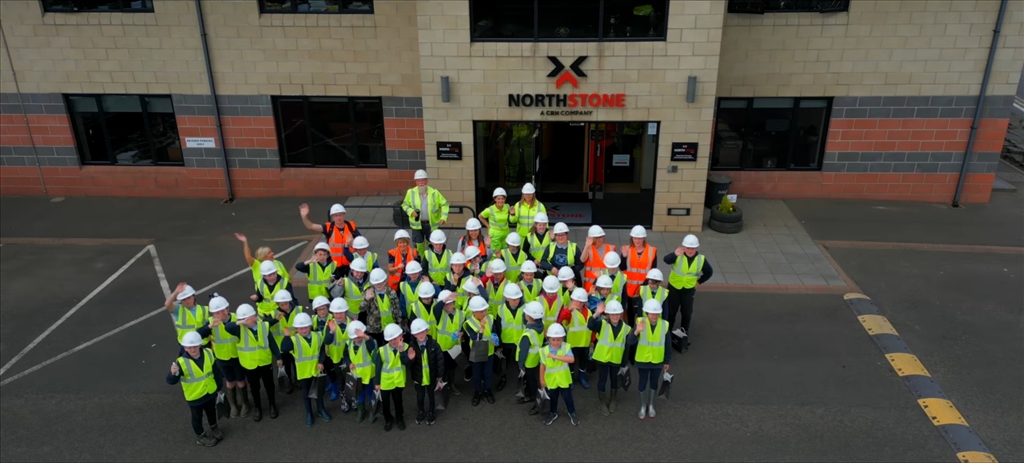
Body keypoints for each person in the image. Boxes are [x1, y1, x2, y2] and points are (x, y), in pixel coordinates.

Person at [195, 296, 250, 419]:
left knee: (241, 380)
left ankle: (245, 403)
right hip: (222, 358)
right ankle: (233, 404)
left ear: (228, 308)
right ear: (212, 313)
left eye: (223, 310)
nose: (221, 314)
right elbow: (198, 335)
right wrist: (209, 327)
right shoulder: (210, 322)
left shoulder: (237, 317)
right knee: (230, 381)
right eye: (217, 312)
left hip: (238, 356)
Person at [224, 304, 281, 422]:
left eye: (248, 318)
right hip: (250, 366)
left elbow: (271, 342)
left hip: (265, 363)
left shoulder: (264, 326)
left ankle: (272, 406)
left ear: (254, 316)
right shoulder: (239, 330)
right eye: (242, 319)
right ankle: (258, 408)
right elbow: (227, 327)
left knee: (269, 386)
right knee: (254, 388)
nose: (247, 321)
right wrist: (240, 323)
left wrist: (278, 357)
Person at [166, 331, 223, 447]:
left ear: (200, 345)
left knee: (212, 412)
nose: (192, 349)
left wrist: (219, 387)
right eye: (189, 347)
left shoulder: (209, 353)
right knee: (197, 417)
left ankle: (214, 427)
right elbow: (171, 381)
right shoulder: (181, 362)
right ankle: (200, 436)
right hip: (195, 396)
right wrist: (173, 374)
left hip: (210, 391)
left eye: (195, 346)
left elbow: (216, 371)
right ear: (185, 348)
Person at [280, 313, 333, 427]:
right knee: (306, 393)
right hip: (304, 372)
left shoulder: (318, 336)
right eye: (300, 328)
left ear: (310, 326)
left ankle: (321, 409)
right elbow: (284, 348)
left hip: (316, 370)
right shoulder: (293, 340)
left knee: (318, 391)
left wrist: (321, 362)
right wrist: (287, 336)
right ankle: (309, 413)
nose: (303, 330)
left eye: (306, 327)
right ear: (296, 329)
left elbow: (322, 350)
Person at [663, 234, 713, 345]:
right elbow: (666, 260)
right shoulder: (678, 255)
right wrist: (674, 254)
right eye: (688, 248)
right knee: (671, 312)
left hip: (689, 290)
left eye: (693, 248)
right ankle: (667, 333)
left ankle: (684, 333)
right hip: (674, 288)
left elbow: (709, 272)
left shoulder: (701, 259)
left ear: (697, 248)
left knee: (686, 313)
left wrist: (699, 282)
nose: (690, 250)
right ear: (683, 247)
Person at [589, 300, 634, 416]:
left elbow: (627, 346)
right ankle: (602, 402)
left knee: (614, 380)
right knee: (602, 380)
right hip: (602, 358)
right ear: (608, 314)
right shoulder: (602, 324)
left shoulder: (627, 328)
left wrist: (624, 363)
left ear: (621, 314)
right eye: (612, 314)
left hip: (616, 359)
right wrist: (597, 313)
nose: (615, 316)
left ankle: (613, 400)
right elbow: (590, 325)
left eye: (617, 314)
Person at [634, 299, 672, 420]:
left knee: (654, 383)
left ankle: (651, 405)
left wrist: (667, 360)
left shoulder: (664, 324)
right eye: (651, 313)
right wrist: (636, 332)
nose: (654, 316)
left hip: (657, 360)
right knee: (642, 383)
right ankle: (643, 405)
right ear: (646, 313)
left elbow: (668, 344)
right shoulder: (640, 322)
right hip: (642, 360)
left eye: (656, 313)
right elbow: (630, 341)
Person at [299, 203, 361, 272]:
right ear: (332, 217)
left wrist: (353, 242)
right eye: (336, 215)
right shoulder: (329, 228)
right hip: (334, 265)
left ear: (344, 215)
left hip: (350, 263)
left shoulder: (351, 226)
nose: (338, 217)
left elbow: (361, 242)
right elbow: (310, 226)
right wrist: (304, 217)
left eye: (340, 214)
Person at [401, 169, 450, 256]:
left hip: (431, 225)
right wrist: (411, 211)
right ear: (416, 182)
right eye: (418, 180)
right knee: (418, 245)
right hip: (417, 225)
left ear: (427, 181)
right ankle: (421, 261)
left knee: (433, 244)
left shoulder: (435, 192)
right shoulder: (410, 192)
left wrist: (443, 217)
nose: (421, 183)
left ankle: (431, 260)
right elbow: (404, 205)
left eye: (423, 180)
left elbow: (445, 204)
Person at [464, 296, 501, 406]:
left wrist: (496, 341)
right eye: (481, 311)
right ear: (474, 312)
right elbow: (475, 338)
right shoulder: (469, 323)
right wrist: (482, 328)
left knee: (488, 373)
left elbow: (494, 332)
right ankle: (477, 391)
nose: (484, 312)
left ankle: (487, 390)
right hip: (476, 353)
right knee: (477, 374)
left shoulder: (490, 318)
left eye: (485, 310)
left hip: (489, 351)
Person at [374, 323, 411, 431]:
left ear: (401, 336)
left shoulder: (406, 347)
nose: (394, 341)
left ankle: (400, 418)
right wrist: (377, 383)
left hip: (399, 381)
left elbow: (406, 363)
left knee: (398, 402)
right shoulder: (381, 350)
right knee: (386, 403)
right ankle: (388, 419)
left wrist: (402, 351)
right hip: (385, 382)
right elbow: (378, 368)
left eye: (395, 338)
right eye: (391, 340)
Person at [540, 324, 578, 426]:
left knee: (567, 397)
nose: (556, 342)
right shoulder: (543, 350)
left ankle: (572, 412)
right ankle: (553, 413)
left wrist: (555, 356)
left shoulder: (566, 347)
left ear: (563, 339)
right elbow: (542, 366)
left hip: (563, 379)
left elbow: (571, 359)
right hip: (551, 380)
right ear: (548, 339)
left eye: (559, 340)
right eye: (553, 340)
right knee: (553, 398)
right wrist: (542, 379)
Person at [409, 318, 444, 426]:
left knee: (431, 395)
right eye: (417, 333)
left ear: (427, 331)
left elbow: (440, 360)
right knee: (420, 396)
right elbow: (408, 364)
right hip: (418, 378)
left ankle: (431, 411)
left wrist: (439, 375)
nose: (421, 335)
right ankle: (420, 411)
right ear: (414, 335)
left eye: (423, 331)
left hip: (431, 377)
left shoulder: (434, 344)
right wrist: (411, 359)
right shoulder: (411, 347)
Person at [268, 289, 302, 394]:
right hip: (282, 346)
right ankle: (289, 382)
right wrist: (275, 320)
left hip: (296, 343)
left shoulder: (298, 310)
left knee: (297, 363)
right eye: (281, 304)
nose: (284, 306)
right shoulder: (274, 314)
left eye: (285, 304)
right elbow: (265, 325)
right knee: (286, 365)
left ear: (289, 302)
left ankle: (298, 379)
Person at [359, 268, 404, 347]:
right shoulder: (368, 292)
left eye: (381, 282)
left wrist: (399, 324)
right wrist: (366, 299)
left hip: (391, 327)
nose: (379, 285)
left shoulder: (392, 292)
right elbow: (361, 309)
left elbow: (397, 310)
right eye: (376, 283)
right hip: (375, 330)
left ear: (385, 281)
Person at [557, 288, 592, 389]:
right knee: (571, 362)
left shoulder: (589, 312)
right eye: (576, 301)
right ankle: (570, 378)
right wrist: (569, 309)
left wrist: (592, 340)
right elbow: (561, 319)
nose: (578, 303)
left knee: (583, 361)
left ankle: (582, 377)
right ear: (572, 300)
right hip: (573, 343)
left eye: (581, 301)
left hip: (585, 343)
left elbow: (591, 327)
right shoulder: (569, 312)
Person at [343, 321, 377, 423]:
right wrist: (349, 363)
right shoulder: (348, 344)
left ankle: (372, 411)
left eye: (359, 337)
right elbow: (346, 355)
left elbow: (372, 345)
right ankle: (361, 410)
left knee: (371, 393)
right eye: (355, 337)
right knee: (359, 394)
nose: (357, 339)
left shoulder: (368, 342)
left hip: (368, 374)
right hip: (356, 375)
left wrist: (365, 336)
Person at [620, 225, 658, 317]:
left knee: (643, 312)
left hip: (644, 287)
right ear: (632, 238)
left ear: (644, 238)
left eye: (639, 238)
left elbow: (653, 270)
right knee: (630, 313)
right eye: (635, 238)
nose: (637, 241)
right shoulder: (626, 249)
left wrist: (644, 285)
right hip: (629, 288)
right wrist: (624, 257)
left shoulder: (652, 251)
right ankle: (631, 329)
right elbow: (622, 268)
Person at [325, 298, 355, 409]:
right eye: (336, 313)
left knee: (351, 378)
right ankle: (344, 399)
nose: (338, 315)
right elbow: (326, 341)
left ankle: (352, 397)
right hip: (336, 357)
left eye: (341, 312)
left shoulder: (352, 322)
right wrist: (331, 331)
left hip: (351, 357)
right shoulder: (330, 324)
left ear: (346, 311)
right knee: (340, 379)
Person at [432, 290, 463, 396]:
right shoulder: (439, 314)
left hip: (454, 346)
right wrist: (445, 299)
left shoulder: (460, 313)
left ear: (454, 303)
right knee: (443, 367)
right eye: (445, 304)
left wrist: (462, 332)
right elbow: (436, 308)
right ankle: (443, 384)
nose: (448, 306)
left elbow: (463, 326)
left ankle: (451, 383)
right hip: (443, 347)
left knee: (453, 366)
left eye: (450, 303)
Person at [517, 301, 545, 415]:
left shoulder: (528, 334)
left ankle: (535, 400)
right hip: (536, 359)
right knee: (534, 379)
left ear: (528, 316)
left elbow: (523, 351)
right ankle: (531, 395)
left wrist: (520, 363)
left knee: (531, 382)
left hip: (528, 361)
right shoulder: (540, 326)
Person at [165, 283, 210, 352]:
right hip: (186, 345)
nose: (187, 301)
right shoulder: (178, 309)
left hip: (203, 344)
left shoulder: (205, 309)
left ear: (194, 297)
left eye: (188, 298)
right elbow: (168, 304)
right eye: (184, 299)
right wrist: (176, 292)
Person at [479, 187, 517, 253]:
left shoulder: (507, 206)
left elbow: (512, 220)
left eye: (502, 199)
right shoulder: (490, 210)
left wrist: (512, 214)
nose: (501, 201)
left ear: (505, 199)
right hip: (495, 236)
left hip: (505, 233)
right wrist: (488, 226)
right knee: (496, 254)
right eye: (498, 199)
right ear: (495, 199)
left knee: (506, 253)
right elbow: (480, 216)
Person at [581, 225, 615, 292]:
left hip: (605, 286)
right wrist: (586, 245)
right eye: (597, 238)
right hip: (591, 287)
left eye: (601, 237)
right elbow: (582, 260)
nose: (600, 239)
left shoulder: (611, 248)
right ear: (591, 238)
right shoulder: (588, 249)